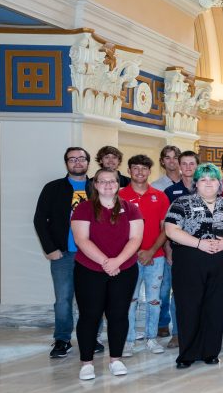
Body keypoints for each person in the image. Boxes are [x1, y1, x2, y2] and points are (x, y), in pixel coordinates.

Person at [164, 163, 223, 368]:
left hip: (222, 263)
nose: (208, 183)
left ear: (219, 184)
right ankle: (188, 354)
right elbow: (171, 229)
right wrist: (199, 243)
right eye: (203, 179)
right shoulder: (182, 203)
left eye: (212, 179)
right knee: (189, 307)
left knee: (216, 307)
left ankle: (210, 352)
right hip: (189, 262)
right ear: (196, 184)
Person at [71, 168, 143, 380]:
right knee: (90, 315)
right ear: (95, 184)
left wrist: (117, 262)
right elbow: (81, 240)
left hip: (124, 269)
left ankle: (116, 359)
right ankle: (86, 362)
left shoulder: (131, 209)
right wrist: (105, 262)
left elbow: (135, 238)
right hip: (89, 270)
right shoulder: (83, 209)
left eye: (112, 181)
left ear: (118, 184)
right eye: (102, 181)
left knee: (119, 315)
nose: (108, 185)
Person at [34, 147, 93, 358]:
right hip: (64, 254)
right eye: (72, 159)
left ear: (88, 162)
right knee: (63, 299)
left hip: (92, 255)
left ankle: (90, 338)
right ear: (66, 163)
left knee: (91, 298)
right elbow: (40, 220)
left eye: (81, 159)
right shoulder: (53, 188)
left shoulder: (98, 187)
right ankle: (62, 339)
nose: (77, 162)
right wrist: (50, 249)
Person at [120, 154, 169, 356]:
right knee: (128, 300)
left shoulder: (160, 196)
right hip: (128, 259)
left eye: (144, 168)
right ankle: (129, 340)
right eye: (136, 168)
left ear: (150, 172)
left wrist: (150, 251)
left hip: (155, 257)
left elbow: (165, 228)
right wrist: (131, 252)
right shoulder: (119, 195)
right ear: (129, 171)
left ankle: (151, 338)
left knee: (154, 300)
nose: (140, 172)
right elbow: (116, 229)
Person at [162, 150, 199, 349]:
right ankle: (177, 333)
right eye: (183, 163)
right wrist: (168, 251)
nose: (187, 167)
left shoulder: (207, 188)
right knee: (179, 294)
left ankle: (200, 331)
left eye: (191, 163)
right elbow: (166, 225)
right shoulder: (170, 192)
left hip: (202, 251)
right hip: (180, 251)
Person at [151, 145, 181, 340]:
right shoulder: (156, 186)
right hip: (164, 243)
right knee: (163, 289)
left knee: (178, 291)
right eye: (167, 158)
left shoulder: (193, 183)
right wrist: (163, 245)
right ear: (162, 161)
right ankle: (163, 323)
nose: (171, 161)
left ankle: (180, 327)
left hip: (185, 245)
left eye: (175, 157)